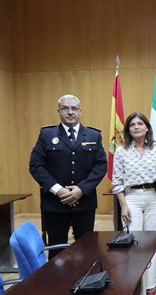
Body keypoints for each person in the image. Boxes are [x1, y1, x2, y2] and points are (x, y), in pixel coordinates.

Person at [29, 94, 107, 258]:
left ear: (80, 111)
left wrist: (81, 189)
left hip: (84, 202)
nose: (70, 112)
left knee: (86, 247)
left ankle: (86, 281)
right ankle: (58, 283)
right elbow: (36, 166)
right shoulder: (46, 135)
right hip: (55, 203)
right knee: (57, 250)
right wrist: (58, 190)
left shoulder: (93, 135)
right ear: (58, 111)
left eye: (74, 108)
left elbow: (101, 166)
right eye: (65, 108)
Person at [112, 112, 156, 295]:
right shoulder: (121, 151)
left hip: (154, 197)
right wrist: (123, 205)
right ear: (128, 129)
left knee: (152, 241)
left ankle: (151, 283)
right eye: (132, 124)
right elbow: (117, 182)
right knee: (133, 241)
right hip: (131, 198)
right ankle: (134, 282)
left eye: (140, 123)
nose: (136, 127)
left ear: (147, 127)